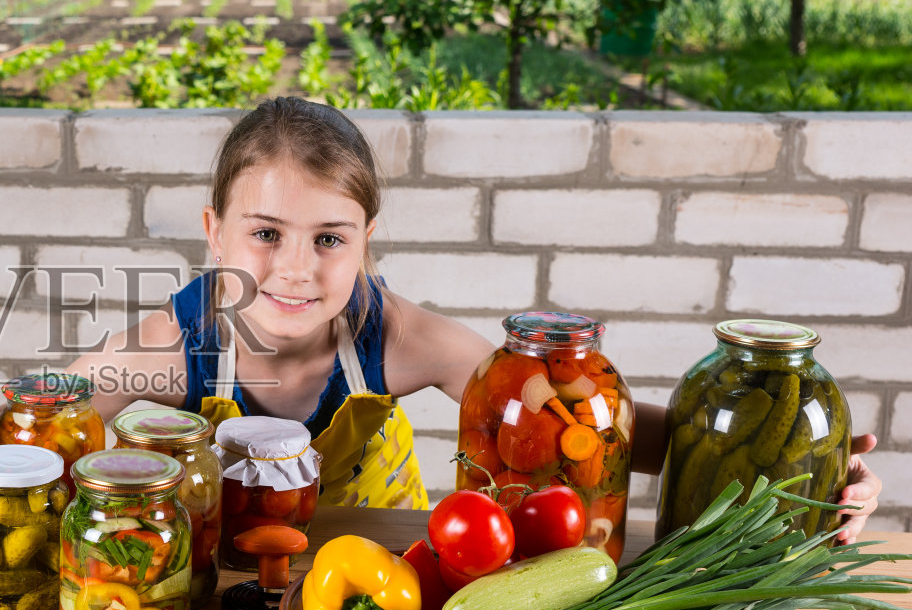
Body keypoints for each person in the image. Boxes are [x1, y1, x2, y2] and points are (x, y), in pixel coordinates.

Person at [63, 96, 883, 537]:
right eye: (265, 233)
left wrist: (803, 472)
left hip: (380, 575)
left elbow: (589, 431)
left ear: (366, 244)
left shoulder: (402, 338)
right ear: (214, 234)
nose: (295, 268)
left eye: (329, 239)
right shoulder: (174, 343)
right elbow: (42, 417)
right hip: (218, 589)